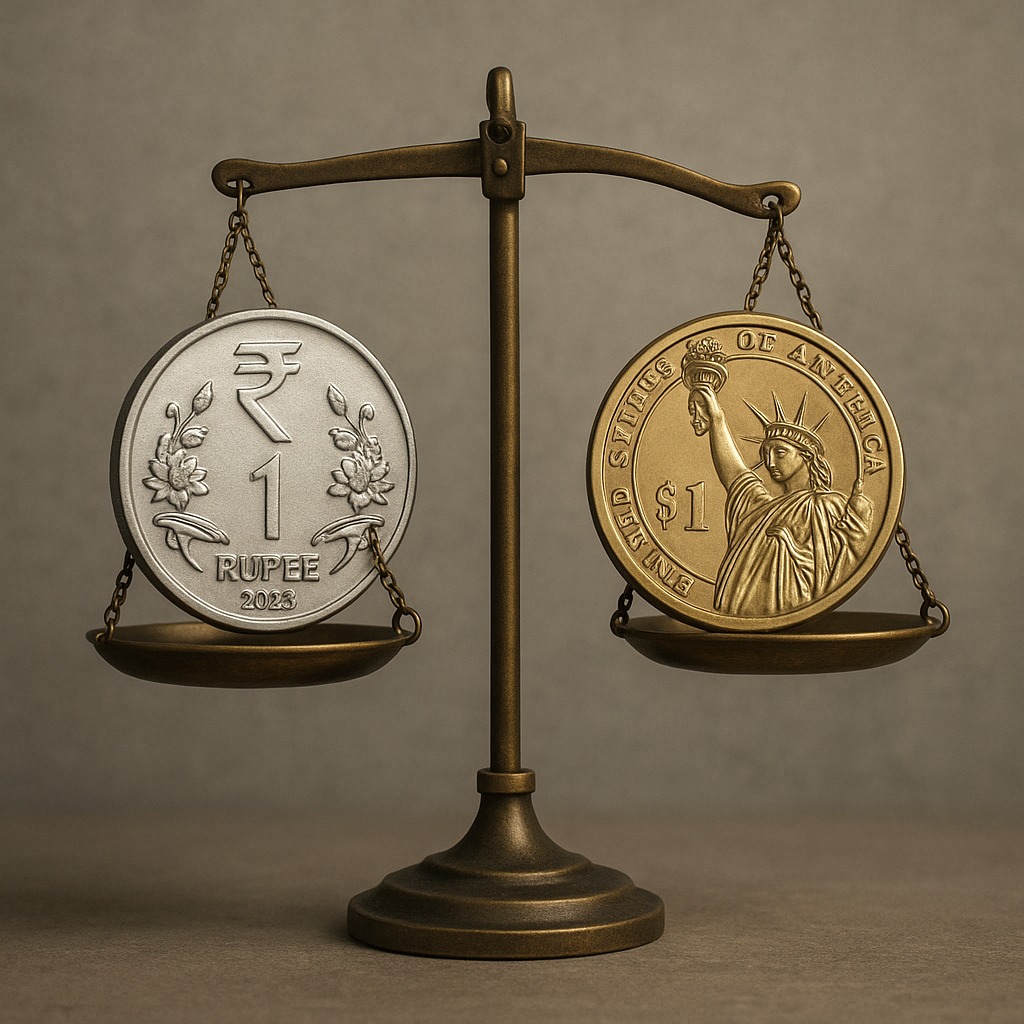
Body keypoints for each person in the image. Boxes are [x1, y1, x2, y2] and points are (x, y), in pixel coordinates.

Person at [687, 384, 873, 618]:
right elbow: (735, 475)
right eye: (767, 454)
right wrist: (717, 420)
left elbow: (835, 567)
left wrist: (793, 550)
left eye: (780, 452)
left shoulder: (825, 506)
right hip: (741, 617)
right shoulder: (762, 510)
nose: (770, 461)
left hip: (792, 606)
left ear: (806, 456)